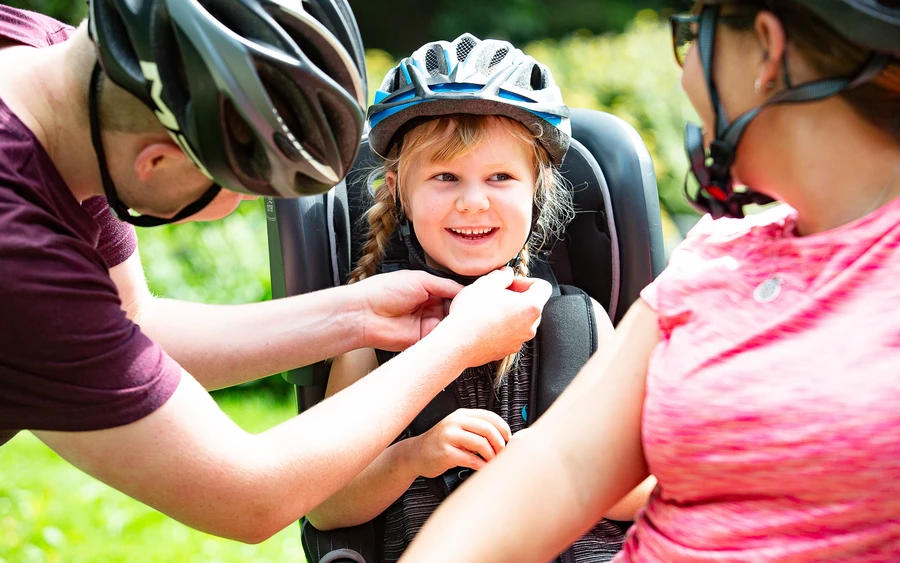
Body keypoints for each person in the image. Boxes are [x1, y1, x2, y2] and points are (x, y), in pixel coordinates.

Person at [0, 2, 552, 543]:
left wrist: (358, 313)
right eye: (242, 184)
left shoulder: (61, 69)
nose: (247, 201)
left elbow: (134, 324)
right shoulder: (19, 255)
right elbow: (249, 495)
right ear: (157, 160)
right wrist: (456, 343)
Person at [400, 1, 900, 561]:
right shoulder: (713, 257)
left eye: (690, 38)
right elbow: (560, 462)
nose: (686, 78)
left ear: (767, 47)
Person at [304, 34, 656, 562]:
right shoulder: (372, 332)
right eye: (446, 176)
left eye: (500, 177)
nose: (474, 202)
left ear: (535, 188)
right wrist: (414, 458)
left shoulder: (581, 323)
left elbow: (636, 493)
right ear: (399, 188)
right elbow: (326, 506)